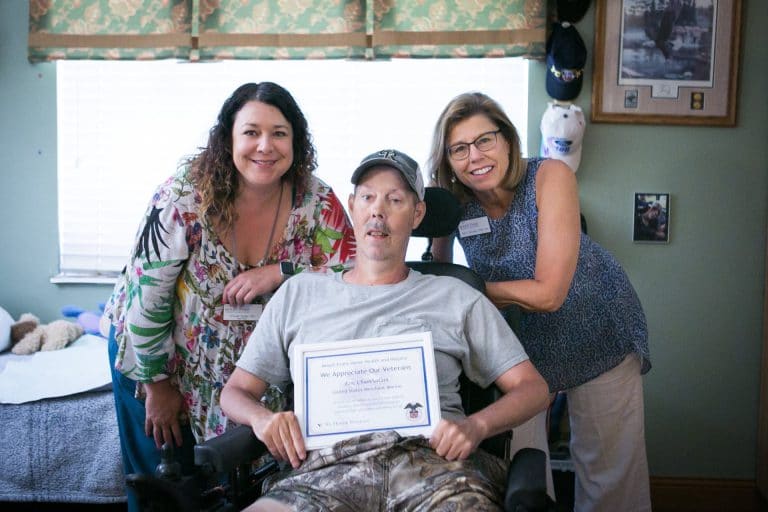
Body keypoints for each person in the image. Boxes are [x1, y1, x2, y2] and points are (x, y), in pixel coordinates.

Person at [221, 149, 550, 512]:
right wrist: (263, 419)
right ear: (352, 206)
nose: (378, 210)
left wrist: (476, 426)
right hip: (323, 474)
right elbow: (235, 391)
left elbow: (533, 389)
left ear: (417, 213)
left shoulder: (457, 296)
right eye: (367, 197)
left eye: (394, 200)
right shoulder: (299, 294)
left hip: (435, 472)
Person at [103, 82, 356, 510]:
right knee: (164, 493)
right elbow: (146, 298)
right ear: (229, 138)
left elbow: (352, 271)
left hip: (250, 371)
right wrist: (158, 385)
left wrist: (281, 270)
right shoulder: (183, 197)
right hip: (157, 356)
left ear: (296, 141)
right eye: (251, 132)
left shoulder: (317, 201)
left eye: (279, 133)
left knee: (233, 491)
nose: (265, 146)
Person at [428, 92, 652, 512]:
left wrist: (468, 290)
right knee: (524, 474)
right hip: (523, 347)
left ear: (508, 140)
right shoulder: (453, 202)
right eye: (459, 148)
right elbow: (439, 276)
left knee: (610, 476)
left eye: (485, 140)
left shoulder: (550, 176)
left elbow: (549, 292)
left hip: (597, 326)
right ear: (448, 159)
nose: (474, 157)